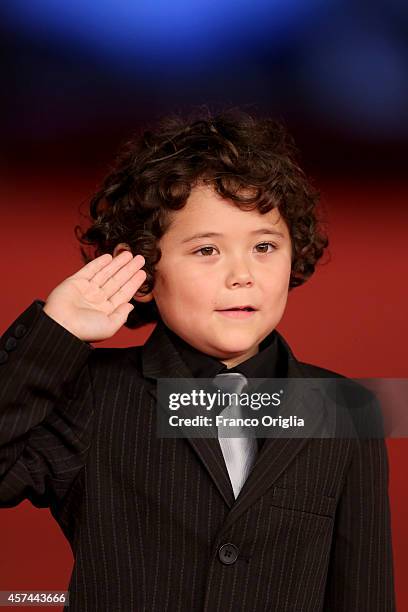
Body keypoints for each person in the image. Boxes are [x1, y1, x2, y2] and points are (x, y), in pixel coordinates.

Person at [0, 108, 395, 611]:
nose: (241, 275)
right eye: (207, 250)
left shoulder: (346, 411)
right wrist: (54, 335)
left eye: (265, 246)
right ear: (138, 267)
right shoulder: (92, 398)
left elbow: (364, 594)